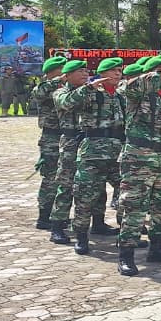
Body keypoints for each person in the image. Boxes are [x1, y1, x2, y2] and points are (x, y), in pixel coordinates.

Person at [114, 55, 161, 275]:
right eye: (160, 71)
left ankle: (157, 249)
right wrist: (158, 74)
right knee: (134, 208)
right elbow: (129, 86)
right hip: (138, 159)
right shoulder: (134, 93)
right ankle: (126, 255)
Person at [55, 57, 126, 253]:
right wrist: (89, 88)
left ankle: (122, 233)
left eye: (119, 71)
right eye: (113, 71)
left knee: (124, 194)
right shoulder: (88, 93)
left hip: (116, 153)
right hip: (90, 152)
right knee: (82, 194)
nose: (117, 74)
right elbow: (66, 102)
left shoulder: (119, 96)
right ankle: (77, 234)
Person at [46, 61, 88, 245]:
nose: (85, 74)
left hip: (89, 142)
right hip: (70, 142)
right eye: (80, 71)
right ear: (68, 75)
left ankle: (96, 222)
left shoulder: (91, 90)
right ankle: (57, 226)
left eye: (86, 71)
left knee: (90, 185)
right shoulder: (60, 92)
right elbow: (67, 102)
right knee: (66, 185)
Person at [30, 57, 68, 229]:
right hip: (51, 138)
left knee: (65, 178)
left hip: (67, 136)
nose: (65, 72)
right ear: (52, 72)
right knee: (51, 178)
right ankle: (44, 216)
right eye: (62, 69)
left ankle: (58, 214)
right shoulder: (43, 87)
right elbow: (39, 93)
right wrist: (58, 80)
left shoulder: (65, 89)